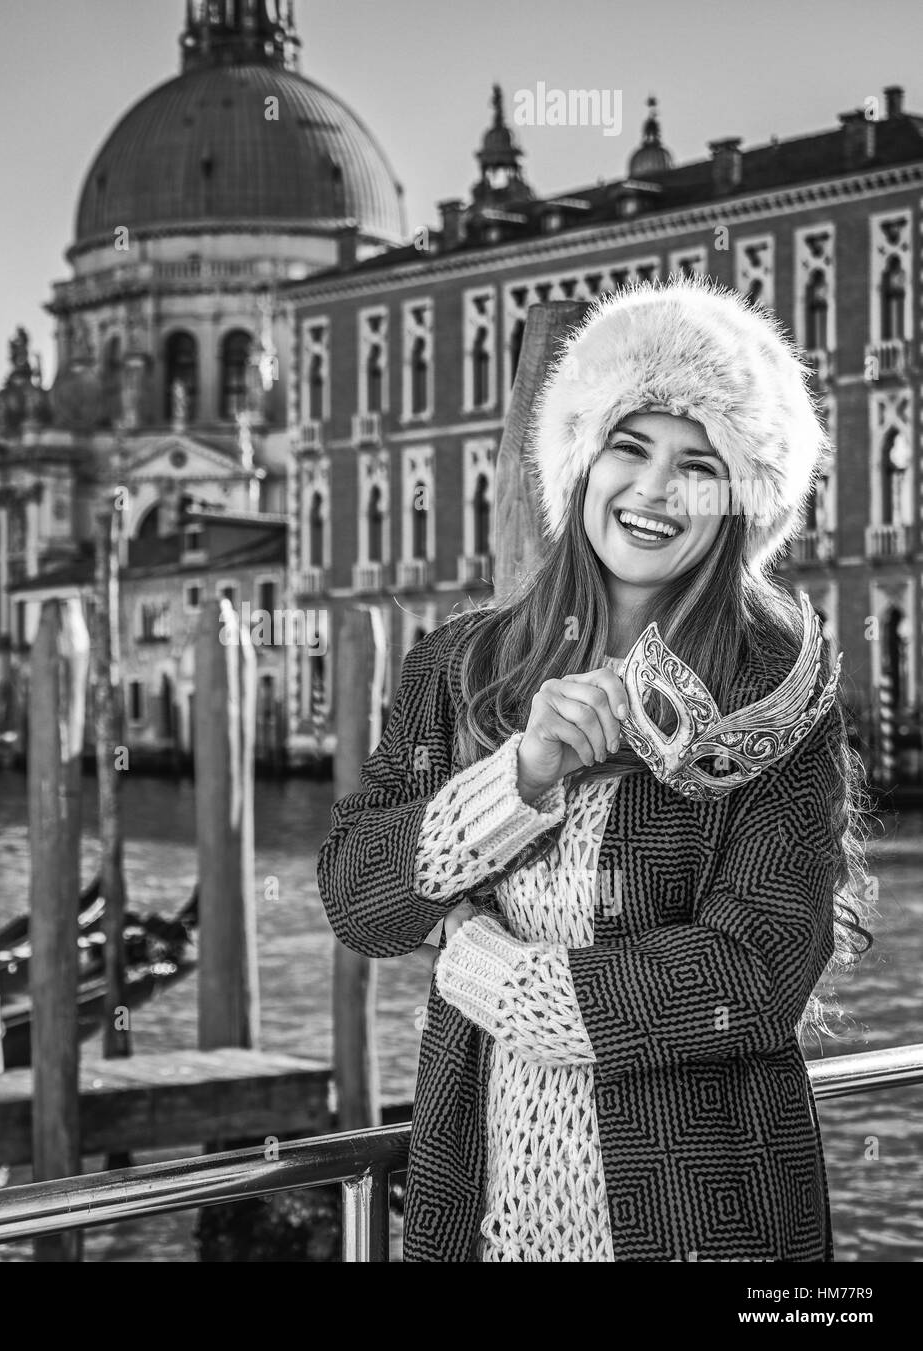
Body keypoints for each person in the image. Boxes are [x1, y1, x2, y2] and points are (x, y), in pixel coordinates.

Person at [317, 274, 873, 1263]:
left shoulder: (779, 693)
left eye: (697, 465)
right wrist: (519, 779)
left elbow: (751, 978)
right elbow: (359, 902)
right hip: (474, 1197)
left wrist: (497, 976)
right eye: (628, 447)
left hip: (703, 1217)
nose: (653, 493)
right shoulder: (458, 667)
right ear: (582, 461)